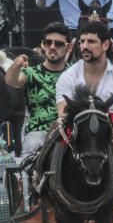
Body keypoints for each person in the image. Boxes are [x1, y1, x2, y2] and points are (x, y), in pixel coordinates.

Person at [56, 20, 113, 141]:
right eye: (82, 42)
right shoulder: (67, 77)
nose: (84, 46)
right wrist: (88, 129)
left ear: (105, 45)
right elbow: (64, 115)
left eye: (91, 41)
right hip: (78, 133)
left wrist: (100, 130)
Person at [5, 22, 72, 158]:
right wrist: (15, 66)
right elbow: (11, 81)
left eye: (58, 44)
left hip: (70, 132)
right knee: (31, 148)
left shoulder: (74, 74)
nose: (52, 47)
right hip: (38, 132)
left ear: (68, 47)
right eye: (48, 43)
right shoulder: (31, 73)